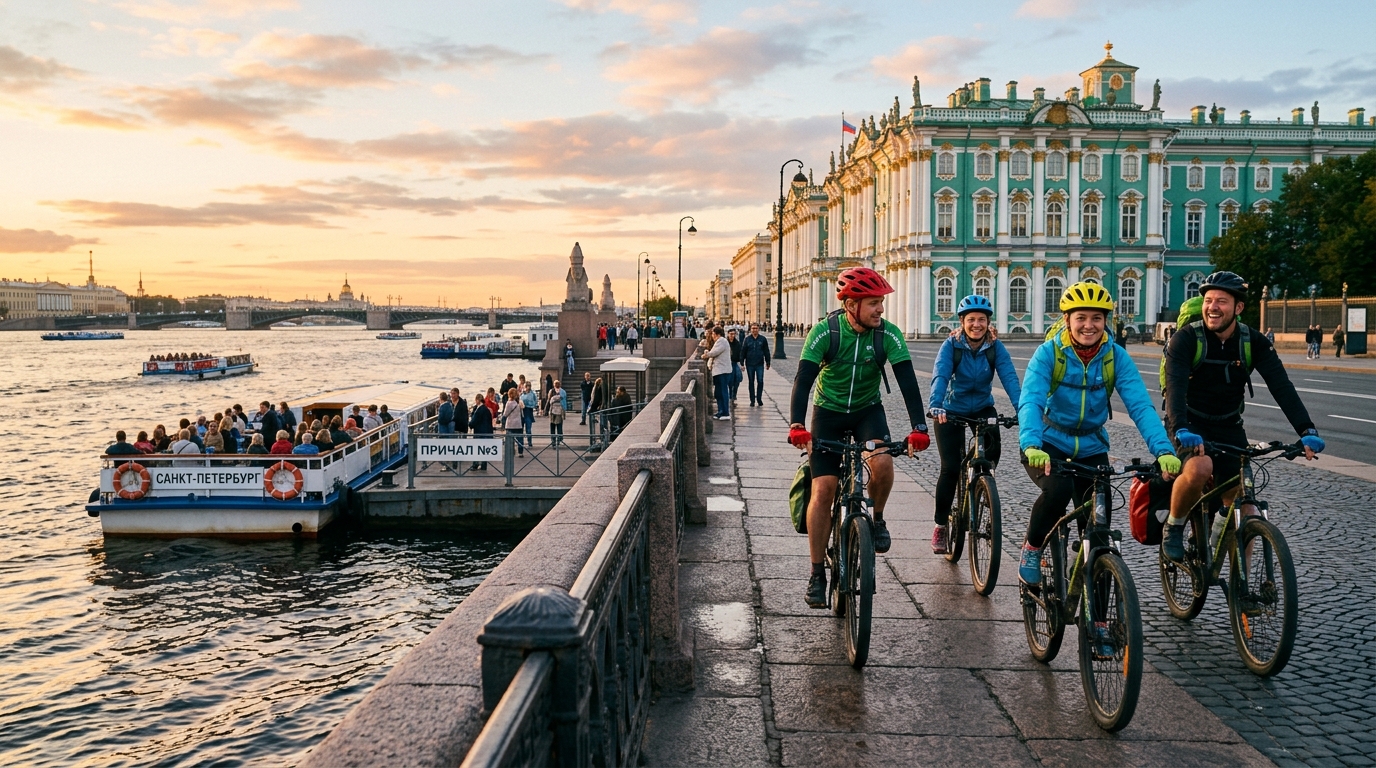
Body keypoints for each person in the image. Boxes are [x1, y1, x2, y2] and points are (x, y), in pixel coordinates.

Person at [1016, 282, 1180, 631]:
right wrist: (1031, 444)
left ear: (1106, 321)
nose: (1088, 325)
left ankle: (1100, 622)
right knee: (1058, 492)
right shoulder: (1050, 353)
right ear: (1067, 320)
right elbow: (1030, 400)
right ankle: (1033, 547)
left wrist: (1163, 450)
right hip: (1047, 444)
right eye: (1081, 318)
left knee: (1099, 534)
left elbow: (1140, 406)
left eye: (1096, 318)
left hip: (1091, 447)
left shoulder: (1115, 356)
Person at [788, 267, 932, 607]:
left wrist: (919, 428)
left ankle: (877, 519)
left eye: (881, 302)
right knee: (823, 490)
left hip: (868, 410)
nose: (880, 309)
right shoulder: (825, 333)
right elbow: (803, 379)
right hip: (828, 412)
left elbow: (908, 382)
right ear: (851, 305)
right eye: (873, 303)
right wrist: (797, 425)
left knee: (882, 463)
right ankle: (816, 574)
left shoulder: (888, 334)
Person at [1161, 271, 1324, 561]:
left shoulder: (1253, 341)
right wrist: (1181, 428)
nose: (1212, 307)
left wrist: (1306, 430)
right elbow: (1174, 388)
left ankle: (1243, 584)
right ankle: (1174, 526)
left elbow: (1281, 386)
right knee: (1199, 469)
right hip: (1189, 423)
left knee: (1245, 505)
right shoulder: (1186, 339)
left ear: (1238, 308)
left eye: (1221, 301)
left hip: (1229, 424)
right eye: (1208, 300)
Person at [927, 295, 1022, 553]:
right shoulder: (951, 345)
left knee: (992, 451)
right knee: (950, 468)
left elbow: (1010, 378)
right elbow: (940, 375)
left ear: (988, 322)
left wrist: (1022, 409)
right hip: (950, 410)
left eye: (981, 319)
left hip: (982, 408)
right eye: (971, 319)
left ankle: (983, 485)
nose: (976, 324)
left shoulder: (995, 347)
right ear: (962, 321)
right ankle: (940, 526)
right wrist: (936, 405)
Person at [702, 326, 732, 420]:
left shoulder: (721, 341)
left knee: (723, 392)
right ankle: (720, 411)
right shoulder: (720, 341)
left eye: (713, 334)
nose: (712, 336)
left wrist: (706, 355)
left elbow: (715, 352)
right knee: (718, 392)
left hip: (722, 371)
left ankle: (725, 413)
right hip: (719, 371)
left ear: (716, 334)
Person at [741, 323, 771, 407]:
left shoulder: (763, 339)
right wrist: (742, 363)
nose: (754, 330)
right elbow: (743, 351)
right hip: (750, 363)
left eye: (756, 328)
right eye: (753, 328)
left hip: (759, 363)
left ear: (758, 329)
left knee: (760, 381)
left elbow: (766, 351)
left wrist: (768, 362)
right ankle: (752, 400)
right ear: (750, 329)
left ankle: (759, 398)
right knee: (751, 382)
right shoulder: (747, 339)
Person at [469, 392, 494, 471]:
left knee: (477, 449)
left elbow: (474, 421)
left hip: (480, 432)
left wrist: (469, 424)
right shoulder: (486, 409)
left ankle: (475, 465)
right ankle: (483, 465)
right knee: (484, 449)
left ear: (477, 400)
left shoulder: (479, 410)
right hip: (487, 432)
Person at [502, 389, 524, 457]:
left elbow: (505, 414)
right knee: (520, 439)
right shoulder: (519, 403)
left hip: (510, 424)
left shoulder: (509, 403)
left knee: (510, 439)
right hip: (518, 423)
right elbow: (522, 412)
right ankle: (520, 452)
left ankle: (511, 451)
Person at [727, 328, 744, 407]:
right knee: (730, 382)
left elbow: (740, 355)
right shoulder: (725, 343)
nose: (732, 336)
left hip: (734, 363)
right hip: (727, 364)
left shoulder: (737, 344)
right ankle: (730, 397)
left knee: (738, 379)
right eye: (731, 334)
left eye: (734, 334)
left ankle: (734, 395)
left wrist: (742, 364)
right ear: (728, 334)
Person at [520, 383, 538, 449]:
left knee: (528, 429)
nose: (528, 388)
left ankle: (529, 442)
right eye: (527, 386)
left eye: (529, 386)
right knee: (521, 428)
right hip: (522, 411)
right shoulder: (522, 393)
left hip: (528, 411)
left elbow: (535, 402)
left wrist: (533, 405)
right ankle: (521, 442)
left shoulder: (532, 394)